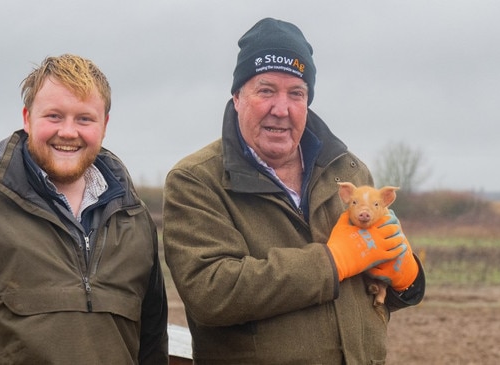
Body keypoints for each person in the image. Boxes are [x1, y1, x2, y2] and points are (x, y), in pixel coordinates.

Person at [162, 18, 424, 364]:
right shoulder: (196, 180)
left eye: (296, 93)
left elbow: (368, 286)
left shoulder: (347, 170)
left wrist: (407, 278)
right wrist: (331, 262)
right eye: (266, 90)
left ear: (308, 101)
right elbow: (212, 291)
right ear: (238, 97)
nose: (281, 109)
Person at [0, 54, 168, 364]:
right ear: (27, 118)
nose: (68, 131)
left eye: (84, 119)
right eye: (54, 116)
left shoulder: (133, 218)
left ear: (104, 125)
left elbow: (152, 344)